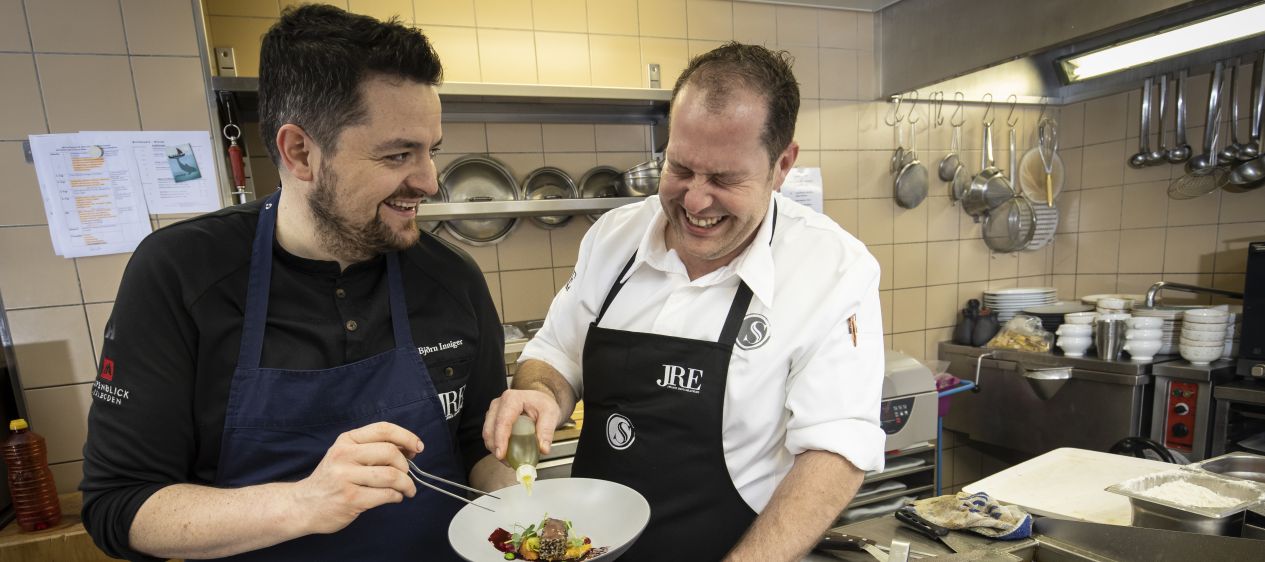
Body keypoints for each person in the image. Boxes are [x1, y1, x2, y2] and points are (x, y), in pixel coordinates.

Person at [80, 6, 511, 561]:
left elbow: (478, 445)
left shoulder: (451, 277)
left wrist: (518, 489)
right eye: (398, 154)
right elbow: (119, 505)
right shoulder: (181, 273)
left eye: (432, 151)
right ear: (300, 152)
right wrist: (304, 503)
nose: (429, 181)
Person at [484, 42, 887, 561]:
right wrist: (541, 394)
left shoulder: (832, 269)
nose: (695, 200)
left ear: (782, 165)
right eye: (679, 168)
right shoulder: (613, 238)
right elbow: (556, 353)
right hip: (594, 549)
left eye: (724, 178)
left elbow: (833, 453)